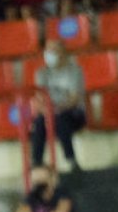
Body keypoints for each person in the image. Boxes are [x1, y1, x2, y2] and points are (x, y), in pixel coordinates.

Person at [33, 39, 87, 171]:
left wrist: (56, 110)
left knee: (60, 119)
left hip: (73, 113)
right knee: (40, 122)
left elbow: (74, 99)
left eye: (54, 50)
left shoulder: (74, 71)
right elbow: (39, 99)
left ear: (63, 53)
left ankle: (71, 160)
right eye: (48, 50)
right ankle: (36, 162)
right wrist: (45, 110)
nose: (49, 54)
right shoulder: (41, 73)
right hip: (49, 113)